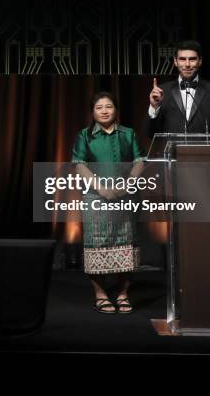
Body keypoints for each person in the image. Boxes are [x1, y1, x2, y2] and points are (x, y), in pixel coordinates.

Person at [72, 91, 144, 314]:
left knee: (127, 242)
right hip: (95, 197)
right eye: (99, 107)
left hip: (126, 196)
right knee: (96, 243)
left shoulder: (128, 133)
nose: (104, 111)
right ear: (93, 112)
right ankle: (100, 294)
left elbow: (140, 160)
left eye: (109, 106)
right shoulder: (85, 135)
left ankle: (123, 293)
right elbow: (79, 164)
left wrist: (127, 185)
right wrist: (101, 188)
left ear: (116, 110)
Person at [146, 39, 210, 136]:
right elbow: (150, 134)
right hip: (171, 151)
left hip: (204, 151)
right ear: (175, 62)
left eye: (192, 59)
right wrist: (154, 107)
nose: (187, 64)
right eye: (182, 59)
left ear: (200, 61)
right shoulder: (161, 92)